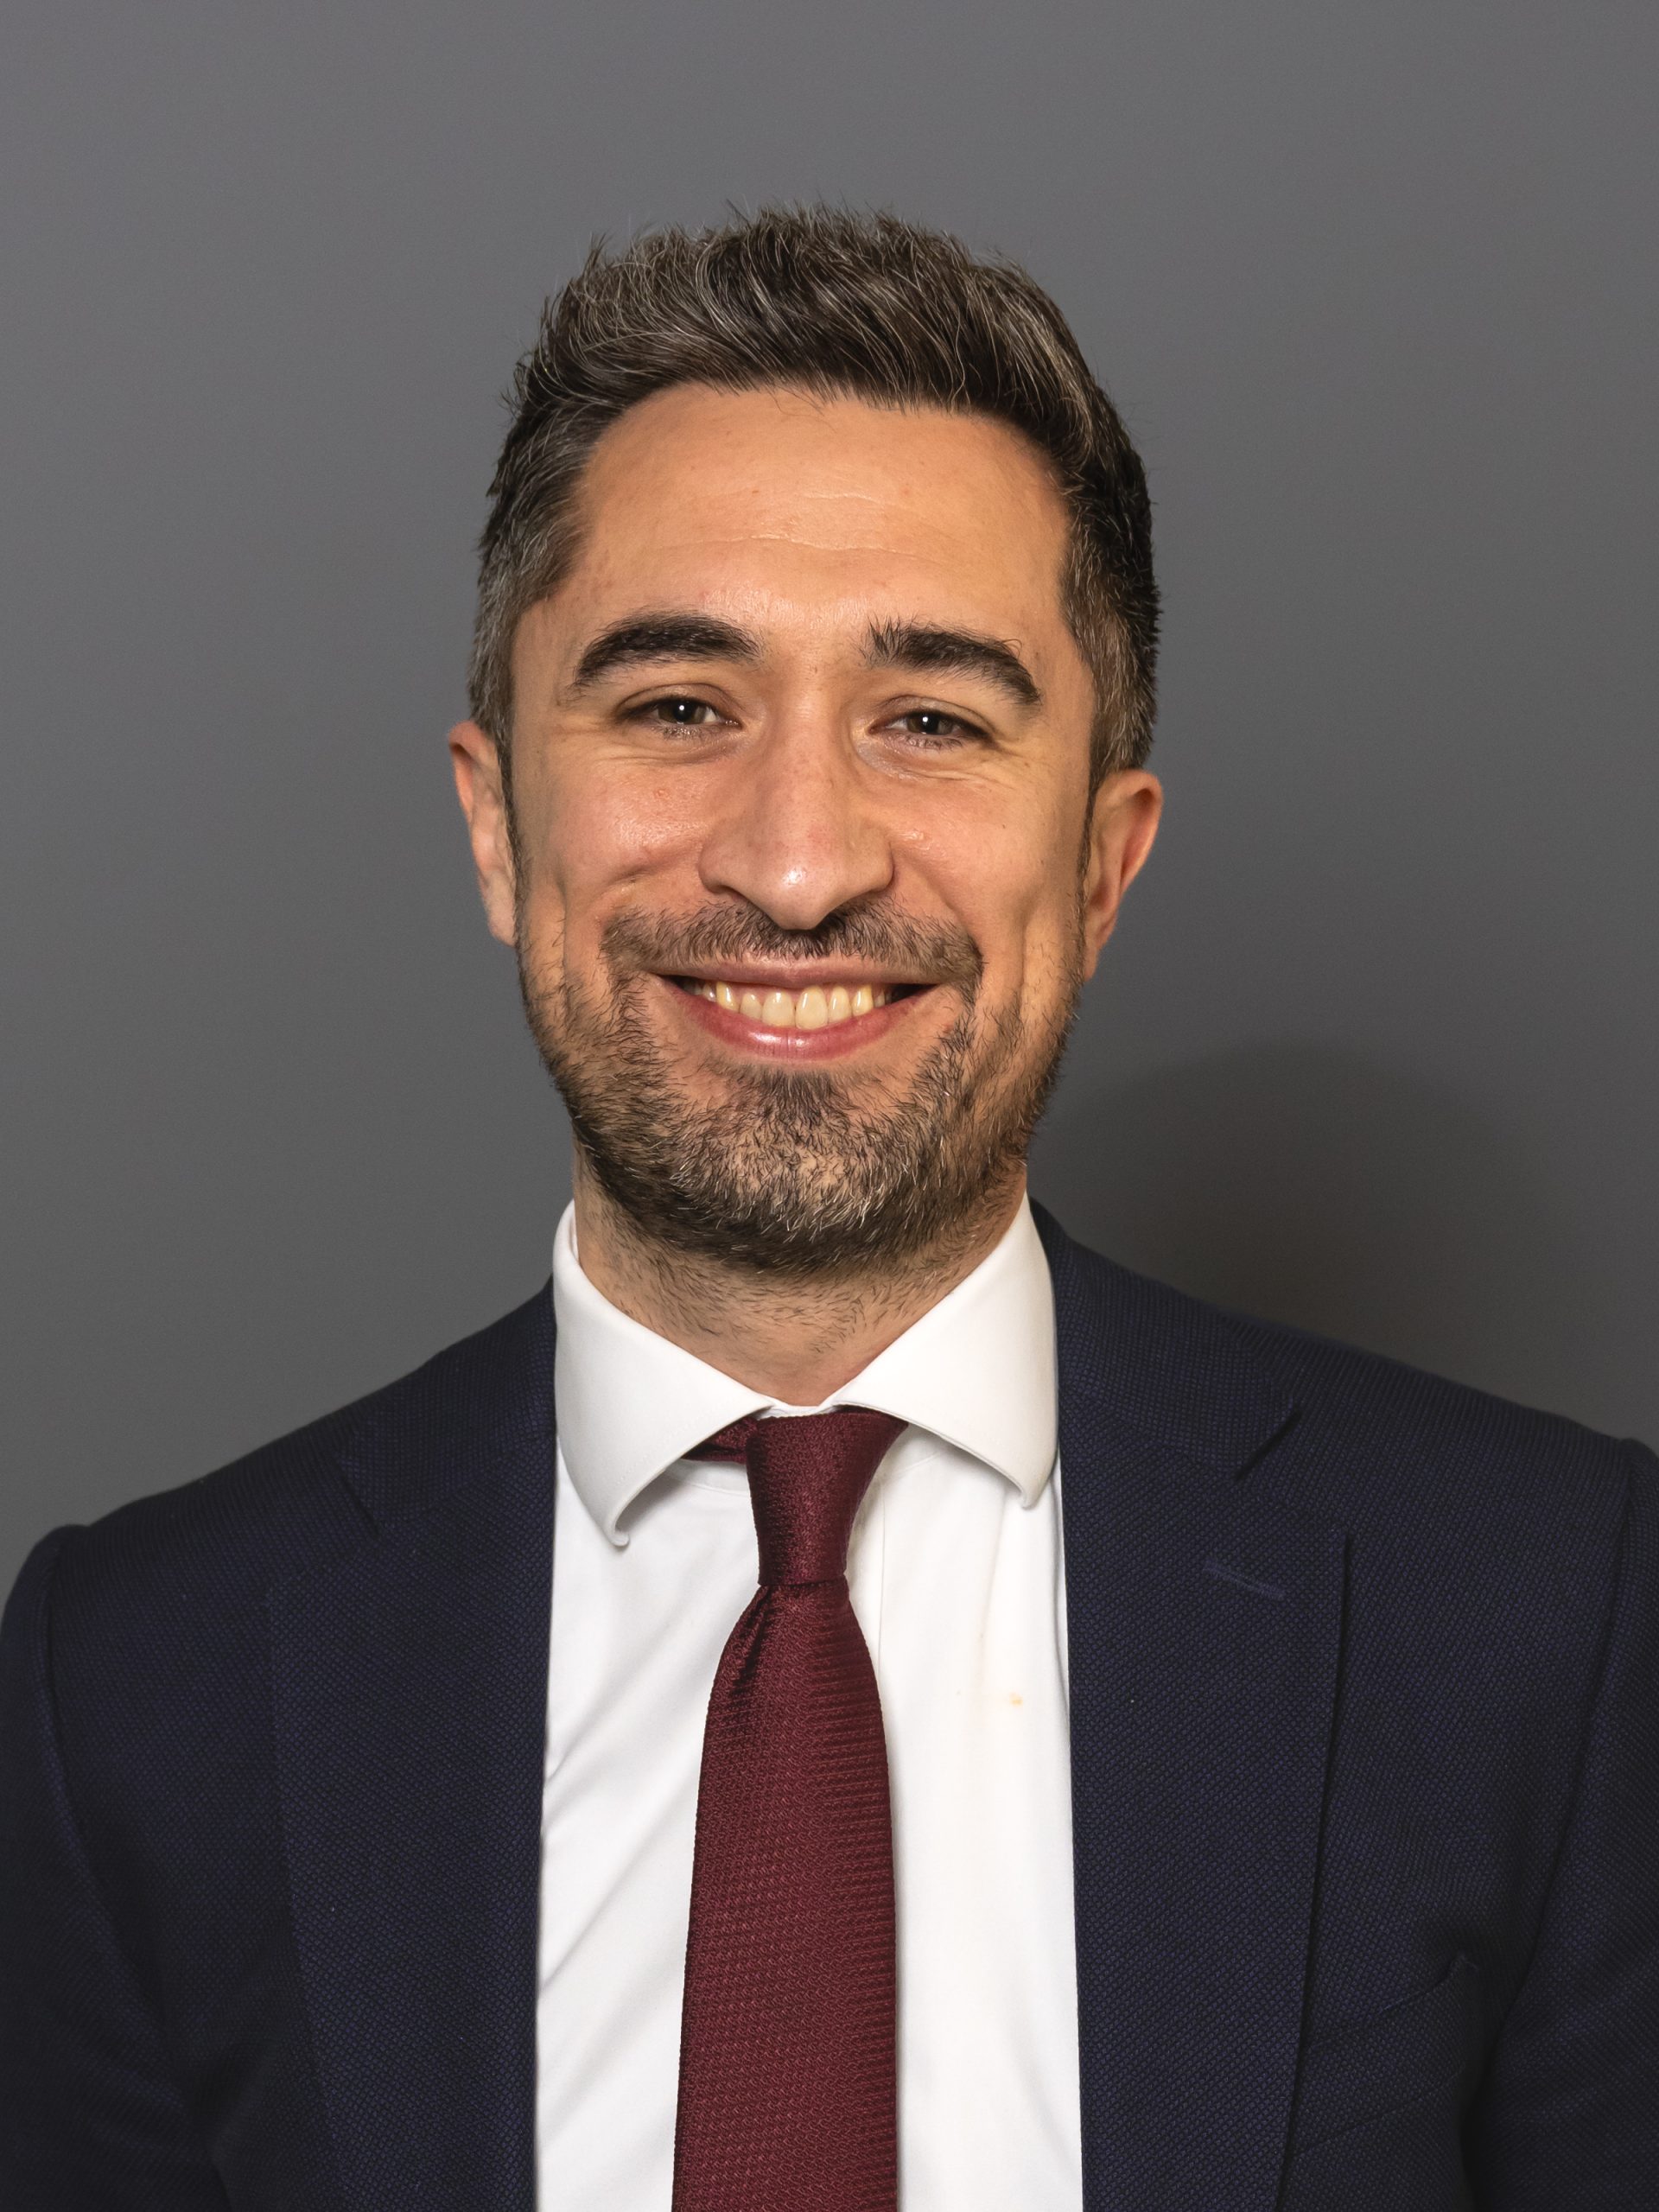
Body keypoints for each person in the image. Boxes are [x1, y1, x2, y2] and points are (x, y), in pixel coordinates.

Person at [1, 207, 1653, 2212]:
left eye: (932, 719)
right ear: (498, 824)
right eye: (678, 706)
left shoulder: (1549, 1613)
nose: (798, 867)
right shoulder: (134, 1683)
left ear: (1104, 863)